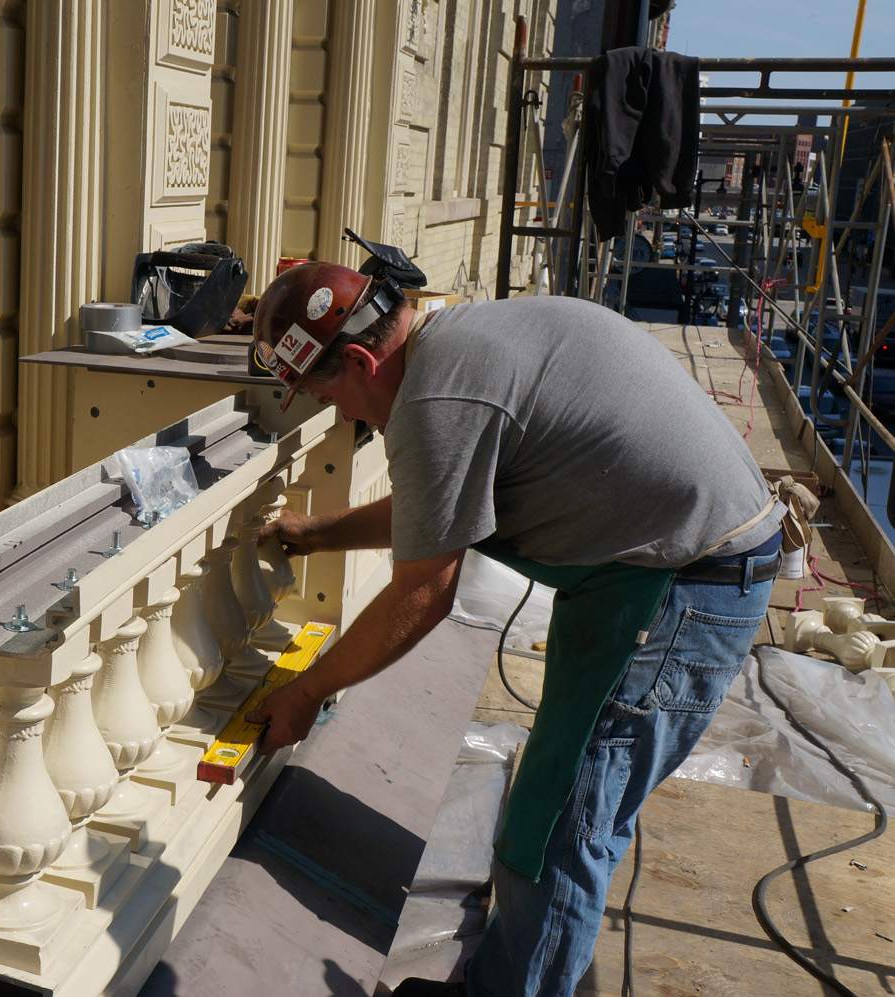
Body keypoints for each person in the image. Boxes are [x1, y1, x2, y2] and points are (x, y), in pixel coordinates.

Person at [245, 261, 785, 996]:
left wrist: (308, 691)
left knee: (565, 819)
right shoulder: (454, 344)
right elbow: (440, 507)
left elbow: (425, 591)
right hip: (649, 558)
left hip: (685, 582)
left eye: (321, 390)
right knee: (556, 801)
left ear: (364, 360)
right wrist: (318, 533)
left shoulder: (437, 399)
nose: (335, 413)